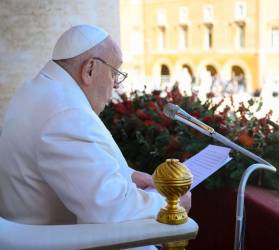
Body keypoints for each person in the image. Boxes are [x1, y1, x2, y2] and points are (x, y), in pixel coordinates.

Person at [0, 24, 191, 249]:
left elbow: (75, 170)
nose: (116, 86)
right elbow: (108, 208)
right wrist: (171, 202)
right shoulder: (66, 114)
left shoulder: (36, 91)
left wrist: (129, 175)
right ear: (89, 69)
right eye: (114, 74)